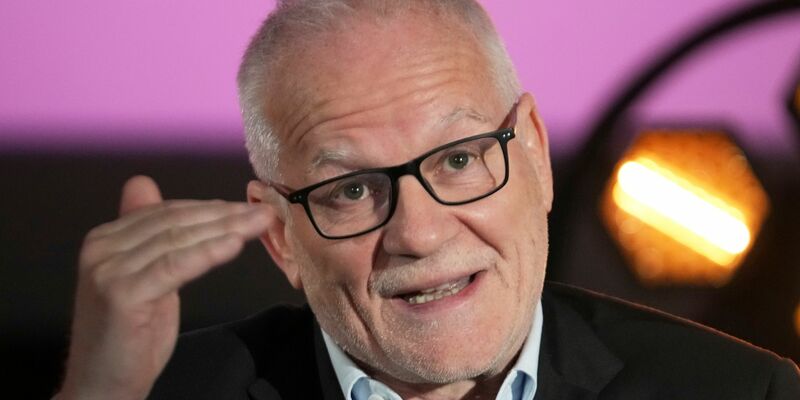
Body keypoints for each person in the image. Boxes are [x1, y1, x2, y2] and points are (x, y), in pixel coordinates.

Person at [55, 1, 800, 399]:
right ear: (280, 237)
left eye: (459, 159)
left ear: (535, 154)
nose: (418, 231)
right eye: (352, 189)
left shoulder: (738, 392)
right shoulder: (157, 393)